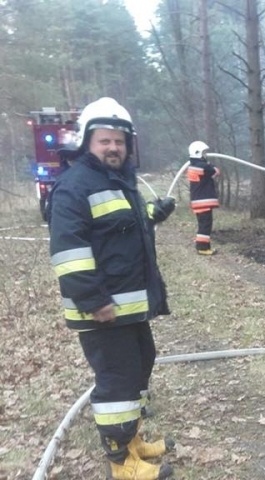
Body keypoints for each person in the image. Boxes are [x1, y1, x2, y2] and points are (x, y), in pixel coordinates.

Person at [48, 97, 176, 480]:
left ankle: (133, 442)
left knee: (140, 367)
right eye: (105, 141)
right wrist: (93, 300)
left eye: (119, 141)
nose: (113, 147)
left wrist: (154, 215)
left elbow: (122, 228)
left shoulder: (117, 181)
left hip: (128, 307)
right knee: (118, 381)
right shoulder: (75, 186)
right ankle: (121, 462)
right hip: (103, 309)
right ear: (88, 142)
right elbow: (69, 251)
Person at [186, 141, 221, 255]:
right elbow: (215, 171)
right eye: (204, 153)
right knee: (205, 225)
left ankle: (202, 244)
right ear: (198, 153)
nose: (206, 155)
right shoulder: (202, 166)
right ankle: (202, 248)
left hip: (198, 201)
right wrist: (211, 165)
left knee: (203, 224)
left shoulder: (193, 166)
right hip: (203, 202)